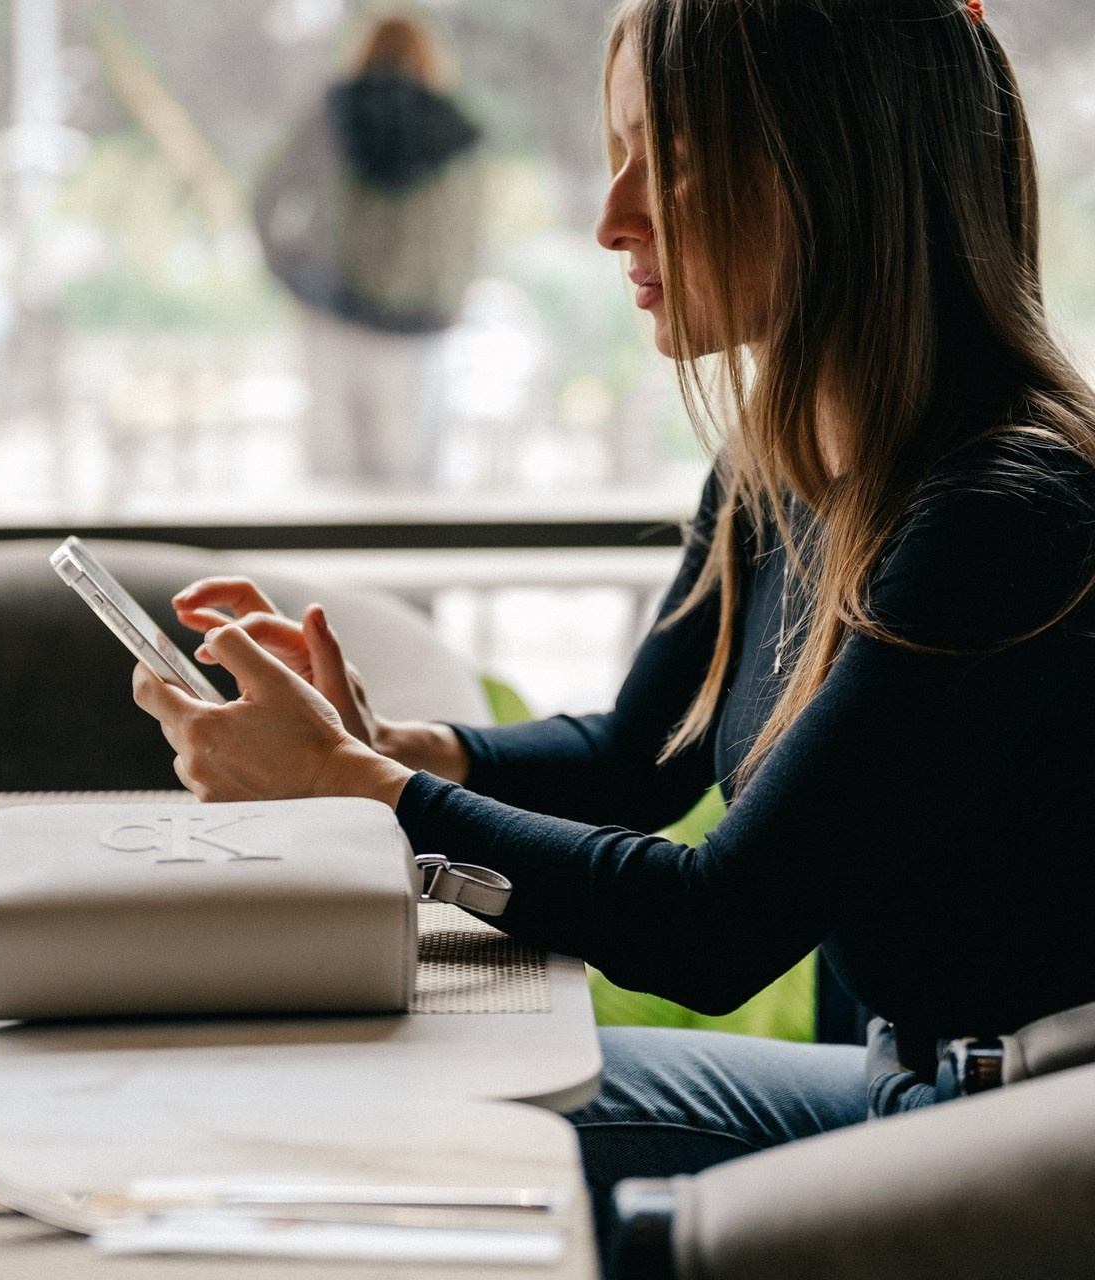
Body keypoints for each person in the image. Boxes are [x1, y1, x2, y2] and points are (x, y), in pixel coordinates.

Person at [135, 0, 1095, 1263]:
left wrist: (349, 786)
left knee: (403, 1101)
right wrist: (401, 749)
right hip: (904, 1086)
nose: (612, 215)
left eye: (676, 160)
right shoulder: (779, 468)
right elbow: (632, 760)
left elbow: (715, 926)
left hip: (1009, 1133)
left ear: (838, 169)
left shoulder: (1011, 512)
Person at [253, 4, 483, 488]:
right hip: (419, 330)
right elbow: (469, 234)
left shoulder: (330, 116)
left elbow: (268, 195)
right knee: (409, 490)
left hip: (335, 315)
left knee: (333, 484)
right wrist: (453, 300)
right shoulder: (454, 131)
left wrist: (288, 272)